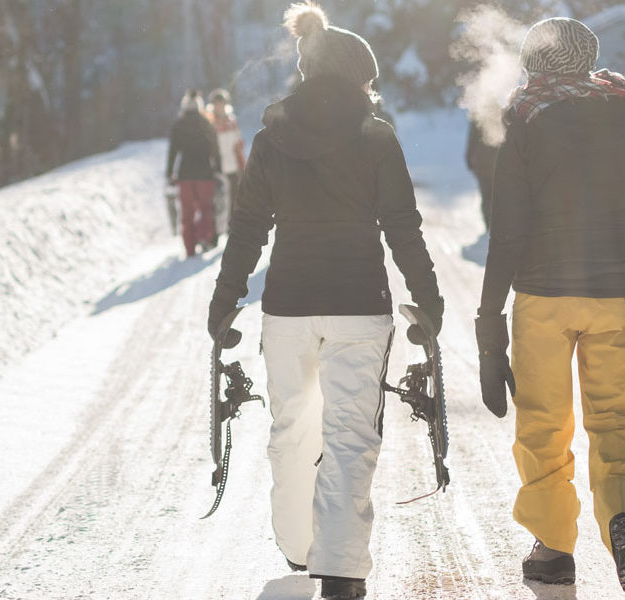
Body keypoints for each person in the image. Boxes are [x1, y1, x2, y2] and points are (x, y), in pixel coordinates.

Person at [207, 3, 442, 599]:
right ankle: (339, 570)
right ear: (357, 76)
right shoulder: (376, 136)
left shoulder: (271, 137)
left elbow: (249, 225)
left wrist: (225, 298)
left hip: (287, 306)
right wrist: (428, 298)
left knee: (291, 430)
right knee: (349, 435)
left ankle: (298, 547)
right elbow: (403, 225)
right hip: (360, 305)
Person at [474, 17, 625, 595]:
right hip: (621, 295)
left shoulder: (524, 116)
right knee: (620, 420)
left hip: (544, 296)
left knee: (544, 423)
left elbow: (508, 231)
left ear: (533, 63)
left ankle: (552, 550)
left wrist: (488, 322)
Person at [166, 89, 221, 256]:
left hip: (185, 174)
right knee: (206, 208)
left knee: (187, 211)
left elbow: (173, 151)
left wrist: (169, 173)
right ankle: (203, 237)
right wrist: (218, 169)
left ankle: (189, 247)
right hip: (205, 173)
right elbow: (215, 149)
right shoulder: (206, 123)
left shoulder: (178, 125)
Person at [207, 88, 247, 235]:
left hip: (233, 167)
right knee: (217, 201)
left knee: (234, 200)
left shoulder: (231, 121)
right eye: (217, 104)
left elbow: (239, 144)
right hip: (217, 168)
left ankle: (232, 228)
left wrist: (242, 165)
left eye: (222, 103)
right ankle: (215, 232)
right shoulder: (209, 123)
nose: (220, 106)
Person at [465, 120, 498, 231]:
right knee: (498, 195)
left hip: (482, 161)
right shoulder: (503, 109)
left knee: (487, 196)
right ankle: (495, 224)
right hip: (497, 161)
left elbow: (472, 138)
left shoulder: (478, 112)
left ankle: (489, 224)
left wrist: (469, 157)